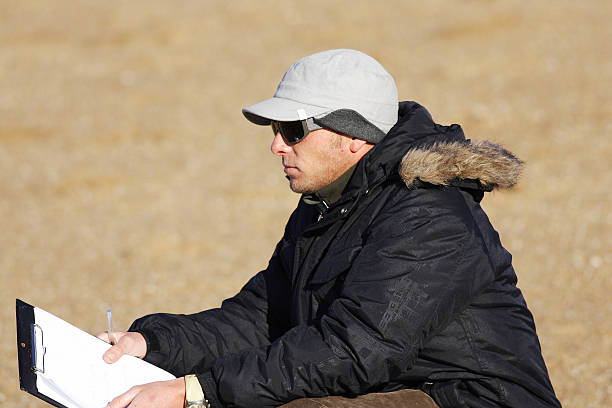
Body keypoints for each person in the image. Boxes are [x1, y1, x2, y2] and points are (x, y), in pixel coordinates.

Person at [100, 49, 561, 408]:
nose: (277, 145)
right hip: (393, 388)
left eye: (294, 128)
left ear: (354, 136)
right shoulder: (328, 203)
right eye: (275, 128)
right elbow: (262, 318)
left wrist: (195, 390)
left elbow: (357, 350)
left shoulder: (428, 216)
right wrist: (154, 345)